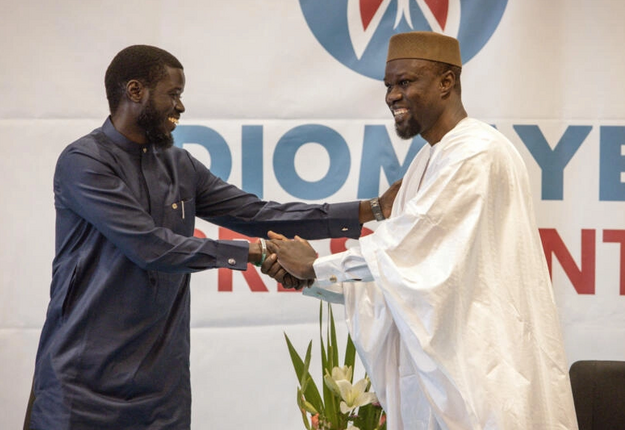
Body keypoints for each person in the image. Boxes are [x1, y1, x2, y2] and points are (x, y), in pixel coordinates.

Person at [24, 44, 398, 430]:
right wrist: (255, 252)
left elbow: (258, 213)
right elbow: (148, 246)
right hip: (80, 386)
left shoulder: (178, 164)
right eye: (174, 94)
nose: (181, 107)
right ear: (135, 92)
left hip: (160, 390)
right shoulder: (84, 163)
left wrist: (371, 209)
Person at [269, 32, 579, 430]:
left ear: (447, 82)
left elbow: (401, 251)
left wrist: (317, 266)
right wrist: (309, 279)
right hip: (440, 383)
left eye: (405, 82)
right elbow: (404, 279)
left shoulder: (476, 153)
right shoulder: (427, 160)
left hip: (482, 377)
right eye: (388, 86)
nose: (392, 96)